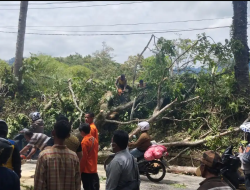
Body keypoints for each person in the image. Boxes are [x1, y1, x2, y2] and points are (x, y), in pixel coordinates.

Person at [34, 120, 81, 190]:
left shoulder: (44, 156)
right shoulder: (74, 157)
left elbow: (39, 185)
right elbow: (77, 184)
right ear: (68, 136)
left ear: (53, 133)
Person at [79, 123, 99, 190]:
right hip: (94, 169)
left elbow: (83, 157)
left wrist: (80, 170)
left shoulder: (84, 142)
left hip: (86, 170)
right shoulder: (94, 140)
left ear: (82, 132)